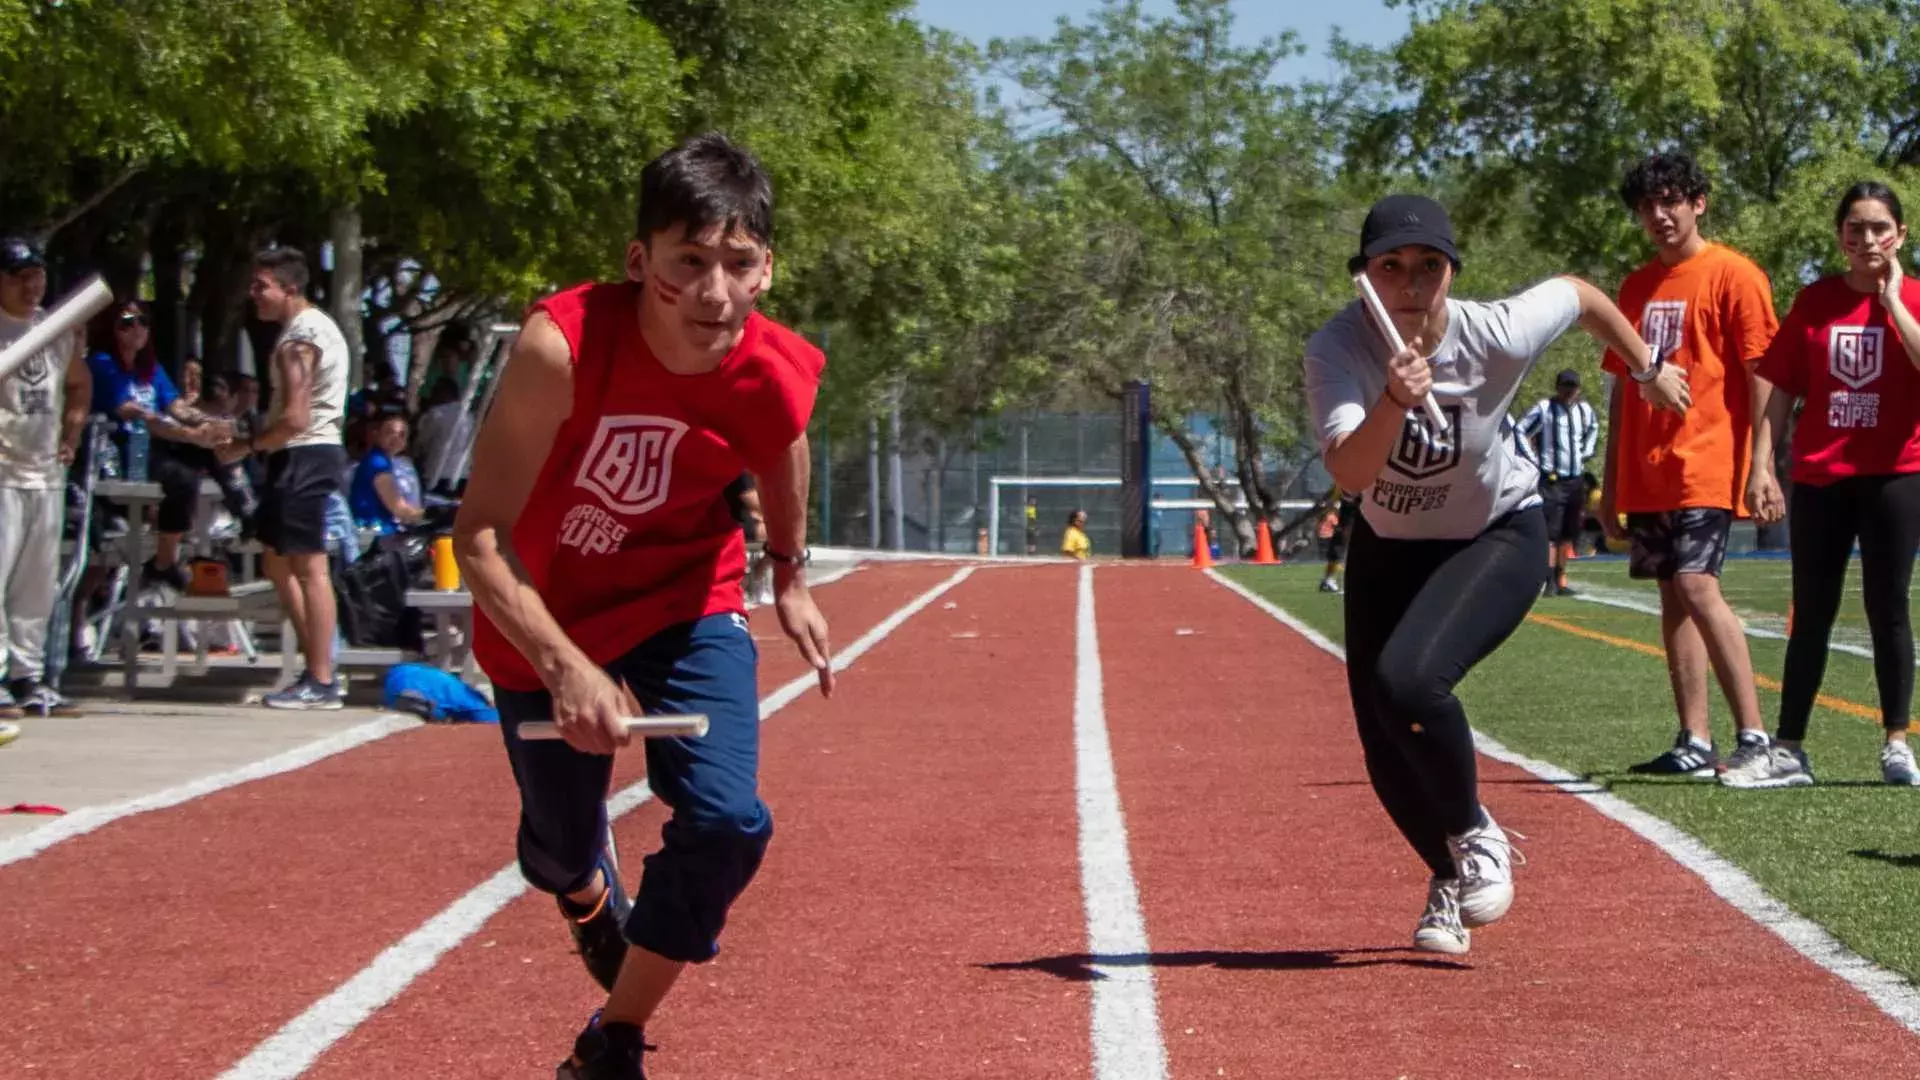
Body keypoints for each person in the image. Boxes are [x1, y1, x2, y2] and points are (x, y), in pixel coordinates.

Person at [451, 133, 831, 1080]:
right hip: (543, 613)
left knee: (729, 820)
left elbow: (783, 443)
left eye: (738, 265)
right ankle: (581, 889)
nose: (714, 293)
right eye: (688, 264)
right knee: (562, 843)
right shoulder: (562, 346)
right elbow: (481, 537)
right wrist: (566, 668)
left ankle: (609, 1040)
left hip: (684, 596)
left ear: (766, 268)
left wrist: (788, 572)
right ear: (639, 262)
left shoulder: (776, 367)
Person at [1303, 194, 1687, 956]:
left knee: (1409, 683)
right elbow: (1351, 472)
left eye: (1430, 267)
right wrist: (1392, 398)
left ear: (1451, 273)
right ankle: (1448, 873)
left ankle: (1477, 832)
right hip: (1390, 544)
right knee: (1384, 746)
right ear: (1366, 276)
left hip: (1496, 534)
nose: (1412, 283)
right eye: (1392, 267)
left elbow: (1577, 294)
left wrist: (1646, 369)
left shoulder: (1496, 333)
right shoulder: (1337, 349)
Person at [1722, 182, 1920, 788]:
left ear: (1901, 235)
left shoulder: (1913, 296)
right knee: (1811, 611)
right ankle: (1789, 749)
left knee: (1888, 607)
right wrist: (1761, 467)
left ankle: (1896, 741)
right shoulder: (1814, 302)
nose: (1867, 241)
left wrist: (1893, 304)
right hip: (1820, 476)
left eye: (1879, 229)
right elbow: (1780, 388)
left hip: (1896, 474)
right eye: (1855, 230)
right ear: (1840, 238)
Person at [1599, 152, 1778, 781]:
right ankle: (1694, 741)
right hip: (1648, 473)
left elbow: (1765, 375)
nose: (1659, 214)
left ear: (1698, 202)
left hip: (1708, 460)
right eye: (1648, 206)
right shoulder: (1633, 289)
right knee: (1674, 597)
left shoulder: (1735, 274)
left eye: (1671, 201)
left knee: (1700, 587)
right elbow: (1621, 387)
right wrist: (1610, 480)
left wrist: (1763, 463)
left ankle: (1756, 739)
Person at [216, 247, 351, 710]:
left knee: (310, 566)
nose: (254, 295)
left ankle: (322, 678)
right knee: (276, 561)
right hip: (298, 456)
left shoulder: (300, 340)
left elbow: (294, 417)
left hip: (305, 455)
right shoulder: (306, 330)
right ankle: (318, 663)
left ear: (289, 288)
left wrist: (246, 446)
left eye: (262, 286)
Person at [91, 302, 245, 589]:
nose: (138, 327)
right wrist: (191, 434)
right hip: (120, 451)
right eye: (127, 321)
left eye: (143, 321)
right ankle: (165, 561)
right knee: (181, 476)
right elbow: (138, 414)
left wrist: (207, 423)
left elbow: (177, 407)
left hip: (153, 447)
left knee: (210, 448)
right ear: (112, 328)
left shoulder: (150, 368)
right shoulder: (102, 363)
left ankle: (242, 508)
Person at [0, 236, 91, 718]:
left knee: (37, 582)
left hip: (44, 472)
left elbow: (78, 384)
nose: (31, 286)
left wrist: (71, 434)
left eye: (37, 276)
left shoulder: (52, 330)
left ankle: (27, 675)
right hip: (2, 471)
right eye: (19, 277)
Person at [1517, 369, 1600, 596]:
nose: (1568, 392)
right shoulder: (1545, 409)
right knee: (1550, 533)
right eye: (1565, 387)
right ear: (1558, 387)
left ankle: (1561, 579)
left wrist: (1586, 452)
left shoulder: (1583, 410)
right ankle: (1548, 581)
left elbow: (1593, 427)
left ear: (1578, 389)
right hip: (1552, 480)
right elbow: (1520, 429)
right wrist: (1534, 459)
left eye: (1572, 387)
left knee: (1568, 533)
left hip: (1575, 479)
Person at [348, 407, 424, 534]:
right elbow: (398, 508)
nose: (396, 438)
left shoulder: (388, 461)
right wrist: (425, 516)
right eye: (389, 432)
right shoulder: (377, 462)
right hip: (371, 531)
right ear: (377, 434)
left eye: (402, 435)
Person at [1318, 487, 1358, 593]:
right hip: (1349, 510)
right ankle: (1329, 580)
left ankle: (1329, 580)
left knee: (1342, 546)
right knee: (1340, 546)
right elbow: (1336, 489)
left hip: (1352, 509)